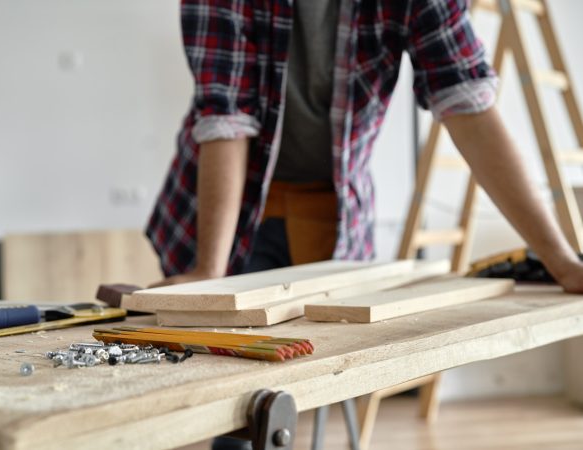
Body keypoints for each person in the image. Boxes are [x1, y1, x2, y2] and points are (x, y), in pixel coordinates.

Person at [147, 0, 583, 447]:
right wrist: (210, 275)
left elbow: (471, 108)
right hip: (225, 215)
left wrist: (562, 262)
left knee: (322, 383)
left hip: (333, 213)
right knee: (234, 401)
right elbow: (226, 122)